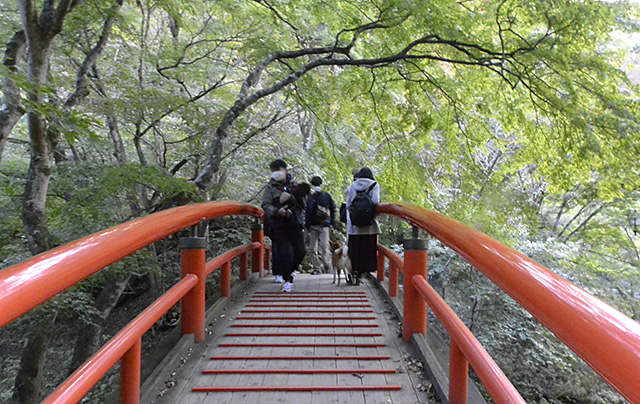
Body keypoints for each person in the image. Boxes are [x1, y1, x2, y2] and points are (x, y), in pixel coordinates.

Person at [261, 159, 307, 292]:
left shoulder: (295, 185)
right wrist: (276, 211)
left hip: (294, 222)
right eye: (274, 171)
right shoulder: (270, 188)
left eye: (279, 170)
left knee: (300, 251)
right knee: (283, 253)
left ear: (285, 170)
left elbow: (303, 204)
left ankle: (289, 272)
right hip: (279, 224)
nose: (276, 174)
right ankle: (288, 280)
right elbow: (265, 205)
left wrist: (291, 198)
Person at [345, 167, 381, 285]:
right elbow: (375, 201)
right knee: (366, 251)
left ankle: (353, 273)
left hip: (354, 226)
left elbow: (348, 204)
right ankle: (361, 274)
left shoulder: (352, 186)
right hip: (369, 226)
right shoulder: (374, 185)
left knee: (354, 251)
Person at [305, 176, 336, 275]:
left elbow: (333, 208)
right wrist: (307, 225)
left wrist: (332, 222)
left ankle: (327, 266)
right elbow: (307, 212)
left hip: (324, 225)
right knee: (312, 248)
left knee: (324, 246)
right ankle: (316, 268)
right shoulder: (310, 198)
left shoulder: (326, 196)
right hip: (313, 225)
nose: (316, 187)